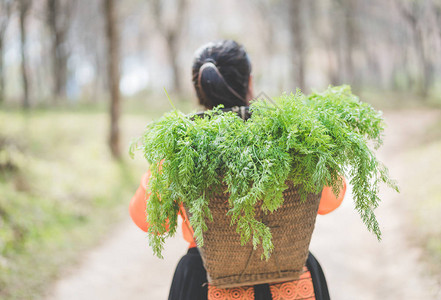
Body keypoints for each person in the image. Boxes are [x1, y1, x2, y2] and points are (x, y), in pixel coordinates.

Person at [129, 40, 346, 300]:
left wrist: (163, 162)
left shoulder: (183, 148)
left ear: (199, 91)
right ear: (250, 82)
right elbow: (332, 199)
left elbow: (147, 219)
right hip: (290, 279)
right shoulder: (289, 139)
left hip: (205, 282)